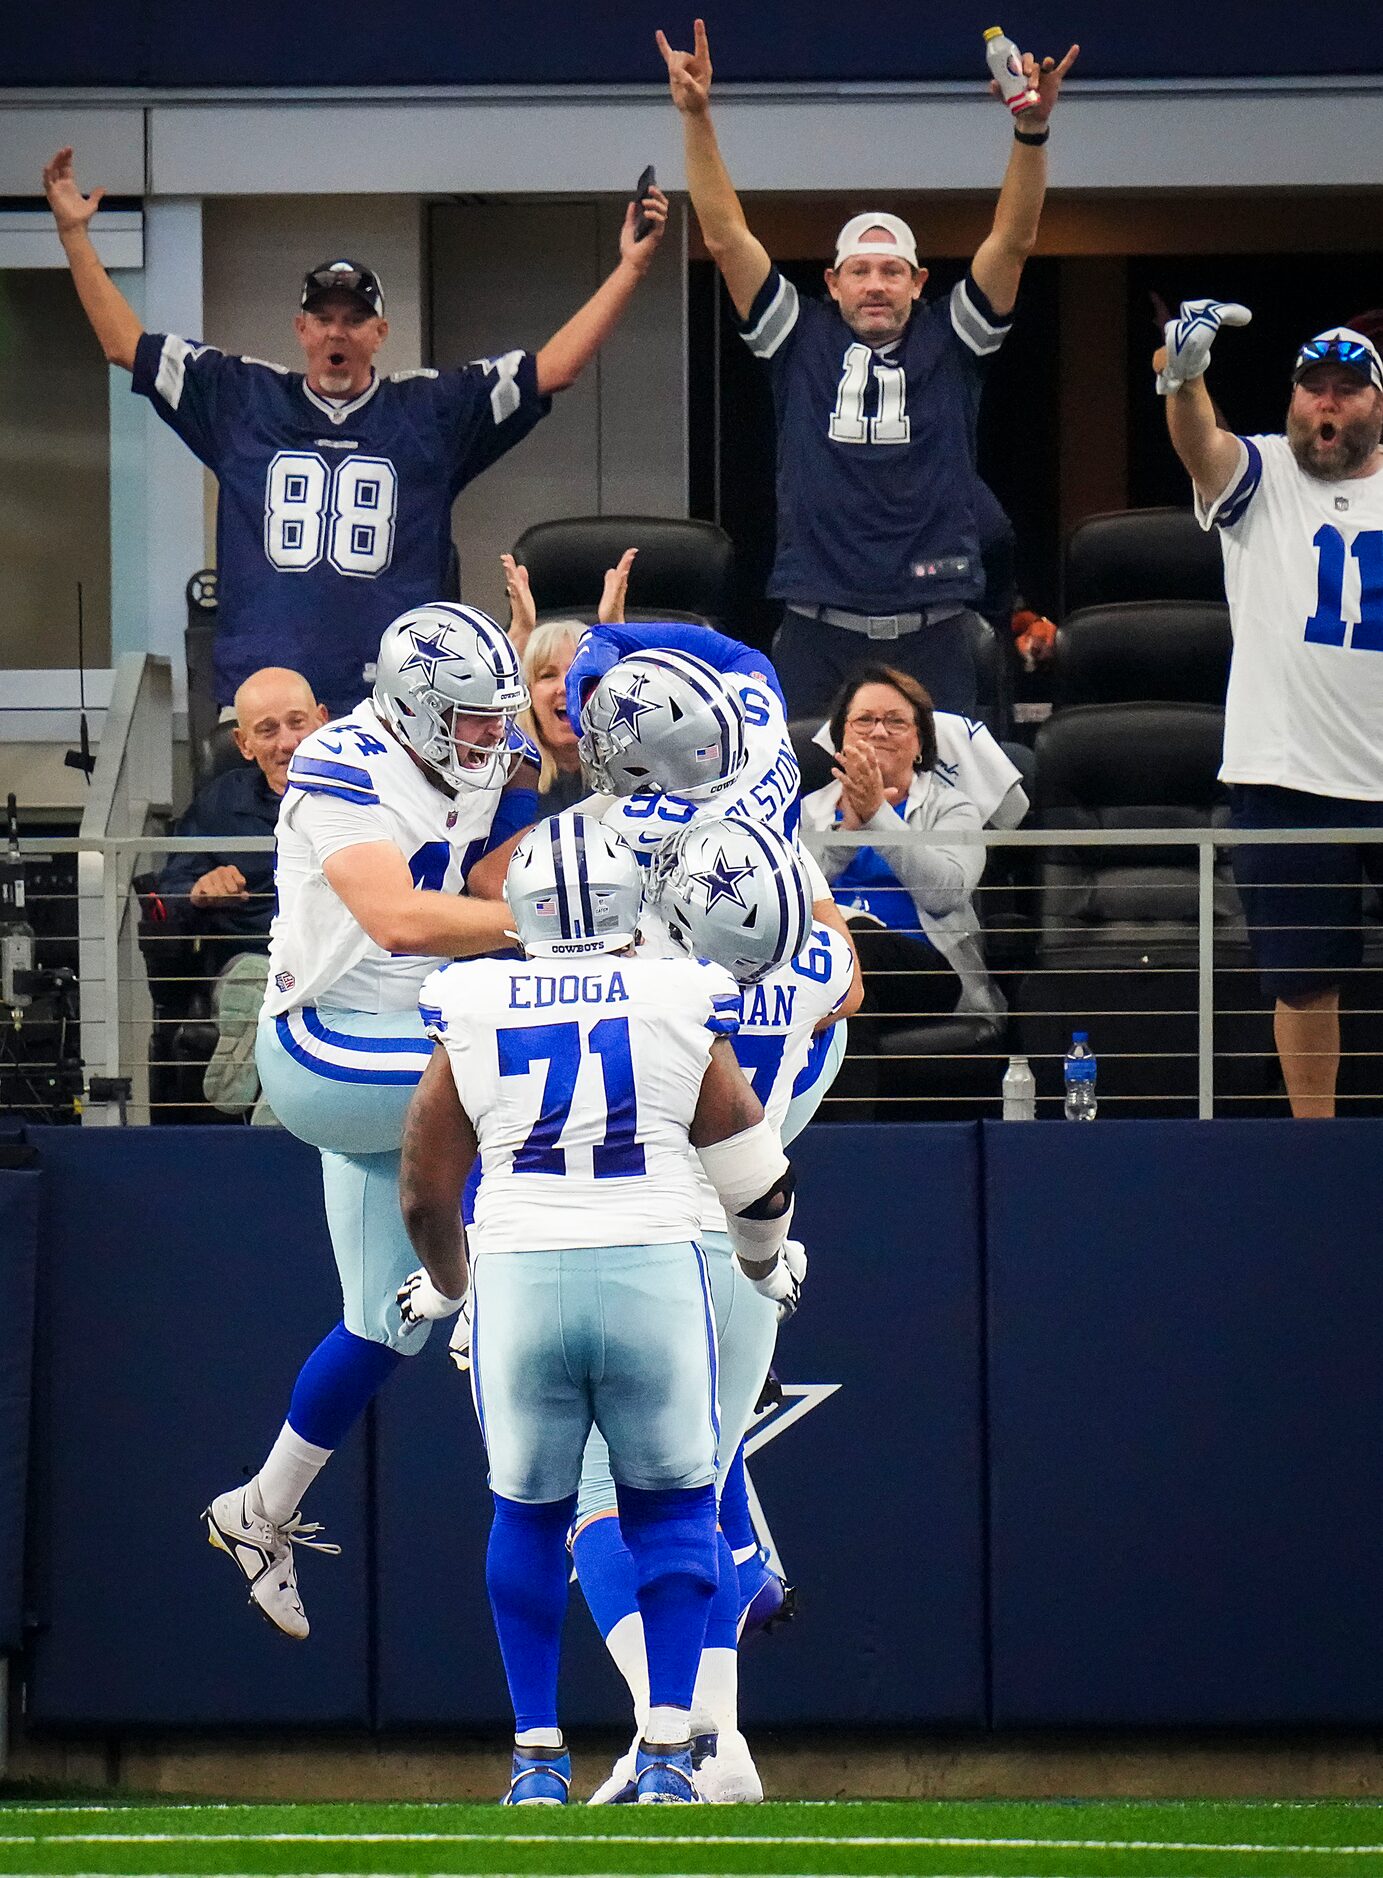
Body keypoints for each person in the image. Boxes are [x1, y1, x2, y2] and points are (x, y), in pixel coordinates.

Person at [397, 811, 802, 1805]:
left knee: (529, 1519)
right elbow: (750, 1161)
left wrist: (450, 1284)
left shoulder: (473, 996)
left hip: (524, 1274)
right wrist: (761, 1263)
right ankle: (669, 1750)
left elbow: (421, 1186)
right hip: (654, 1273)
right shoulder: (675, 989)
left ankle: (537, 1757)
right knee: (671, 1513)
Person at [42, 146, 669, 715]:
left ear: (380, 334)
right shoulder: (240, 398)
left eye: (354, 319)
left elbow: (552, 370)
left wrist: (630, 270)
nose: (337, 332)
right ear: (301, 329)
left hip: (395, 700)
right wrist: (74, 235)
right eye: (323, 318)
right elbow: (124, 345)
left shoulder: (430, 412)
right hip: (267, 698)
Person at [202, 603, 535, 1638]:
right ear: (419, 711)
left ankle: (260, 1509)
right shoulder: (338, 766)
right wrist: (564, 916)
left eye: (499, 716)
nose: (494, 736)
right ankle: (488, 1300)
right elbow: (399, 917)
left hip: (404, 1045)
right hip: (327, 1047)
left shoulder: (471, 742)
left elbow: (486, 855)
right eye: (476, 719)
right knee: (519, 1074)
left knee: (380, 1323)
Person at [656, 20, 1077, 719]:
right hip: (816, 627)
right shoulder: (795, 338)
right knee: (800, 817)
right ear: (832, 281)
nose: (875, 284)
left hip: (934, 628)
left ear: (918, 282)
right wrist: (697, 117)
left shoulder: (952, 340)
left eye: (891, 271)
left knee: (946, 821)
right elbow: (725, 237)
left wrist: (1029, 134)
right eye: (860, 270)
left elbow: (1014, 237)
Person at [566, 815, 859, 1806]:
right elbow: (846, 971)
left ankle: (670, 1735)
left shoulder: (651, 976)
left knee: (601, 1500)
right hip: (753, 1250)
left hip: (652, 1238)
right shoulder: (812, 962)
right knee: (698, 1494)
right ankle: (720, 1746)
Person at [1160, 304, 1383, 1117]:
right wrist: (1184, 379)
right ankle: (1314, 1146)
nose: (1326, 404)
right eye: (1312, 390)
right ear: (1291, 401)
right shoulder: (1260, 475)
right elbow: (1199, 444)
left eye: (1346, 391)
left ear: (1375, 406)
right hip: (1286, 774)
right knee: (1301, 979)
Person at [145, 667, 328, 1116]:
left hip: (335, 966)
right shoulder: (219, 803)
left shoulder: (367, 791)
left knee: (306, 991)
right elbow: (167, 892)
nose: (286, 742)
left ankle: (262, 1091)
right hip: (247, 961)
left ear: (322, 720)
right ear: (244, 745)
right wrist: (198, 892)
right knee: (255, 975)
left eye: (297, 723)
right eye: (267, 731)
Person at [800, 666, 1004, 1027]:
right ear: (839, 738)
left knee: (851, 945)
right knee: (849, 996)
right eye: (864, 720)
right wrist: (849, 830)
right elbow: (793, 895)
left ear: (920, 744)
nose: (878, 731)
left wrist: (877, 814)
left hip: (927, 972)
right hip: (824, 968)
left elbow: (945, 895)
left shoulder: (953, 807)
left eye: (895, 722)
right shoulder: (806, 811)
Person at [500, 547, 640, 812]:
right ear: (526, 694)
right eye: (547, 675)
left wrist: (617, 637)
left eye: (577, 671)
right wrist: (518, 635)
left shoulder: (633, 772)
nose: (566, 685)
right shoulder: (505, 774)